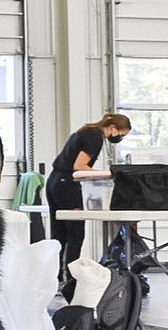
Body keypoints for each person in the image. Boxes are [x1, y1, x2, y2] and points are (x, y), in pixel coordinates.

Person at [46, 112, 131, 283]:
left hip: (55, 182)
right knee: (76, 234)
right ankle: (72, 279)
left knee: (59, 234)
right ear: (113, 128)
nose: (119, 138)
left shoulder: (85, 130)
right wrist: (106, 175)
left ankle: (54, 278)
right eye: (121, 134)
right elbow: (79, 166)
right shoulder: (95, 136)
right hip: (68, 186)